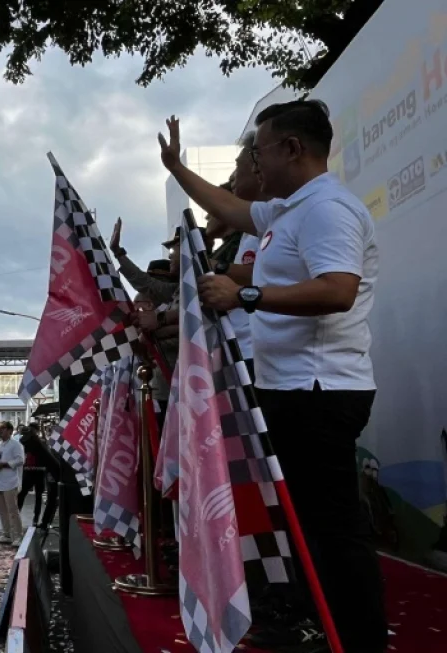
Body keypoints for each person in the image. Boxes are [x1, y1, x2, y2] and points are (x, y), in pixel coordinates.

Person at [159, 101, 384, 652]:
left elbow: (337, 289)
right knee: (302, 522)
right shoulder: (288, 210)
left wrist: (248, 295)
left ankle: (357, 637)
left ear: (292, 149)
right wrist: (175, 168)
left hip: (321, 391)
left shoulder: (328, 209)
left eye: (260, 151)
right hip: (289, 389)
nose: (254, 164)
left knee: (332, 527)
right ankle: (314, 622)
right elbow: (232, 210)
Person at [0, 421, 25, 545]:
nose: (0, 431)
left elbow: (20, 460)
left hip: (10, 481)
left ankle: (18, 536)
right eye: (0, 428)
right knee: (2, 510)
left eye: (3, 428)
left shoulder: (16, 444)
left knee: (12, 510)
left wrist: (5, 464)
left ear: (10, 431)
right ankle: (6, 534)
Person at [16, 426, 46, 526]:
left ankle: (36, 518)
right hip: (29, 470)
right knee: (22, 494)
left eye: (33, 430)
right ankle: (16, 515)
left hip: (39, 470)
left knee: (38, 496)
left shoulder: (41, 441)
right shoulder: (25, 440)